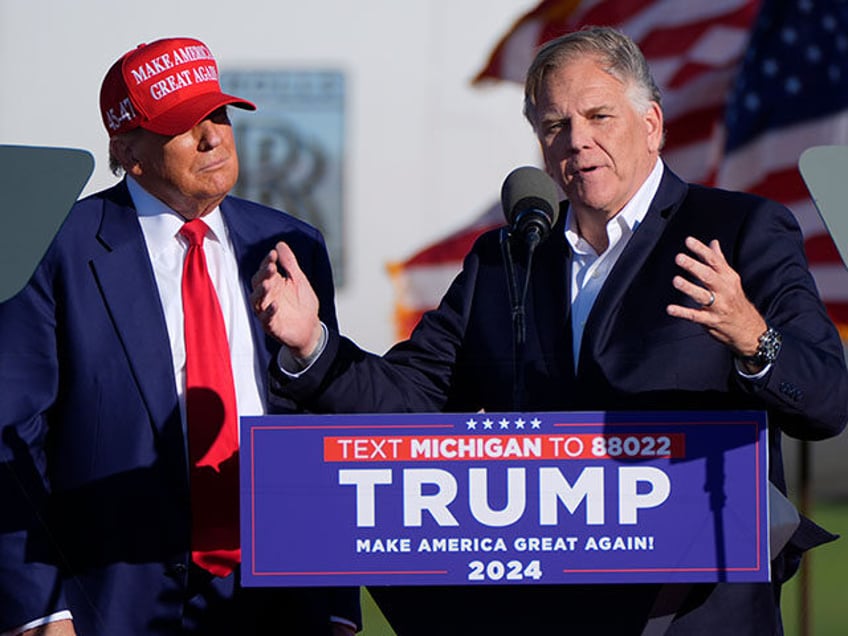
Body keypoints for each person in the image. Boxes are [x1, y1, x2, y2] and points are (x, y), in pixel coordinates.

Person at [251, 26, 848, 635]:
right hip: (543, 608)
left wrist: (753, 338)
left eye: (599, 116)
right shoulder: (506, 258)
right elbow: (409, 401)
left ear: (651, 125)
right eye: (554, 125)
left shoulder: (738, 231)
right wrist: (311, 344)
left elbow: (825, 400)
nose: (578, 142)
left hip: (691, 609)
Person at [0, 37, 360, 636]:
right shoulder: (56, 247)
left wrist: (335, 603)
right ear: (127, 151)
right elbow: (11, 443)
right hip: (111, 600)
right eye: (183, 125)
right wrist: (40, 610)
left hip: (275, 594)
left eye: (218, 115)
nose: (213, 136)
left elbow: (317, 428)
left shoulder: (291, 244)